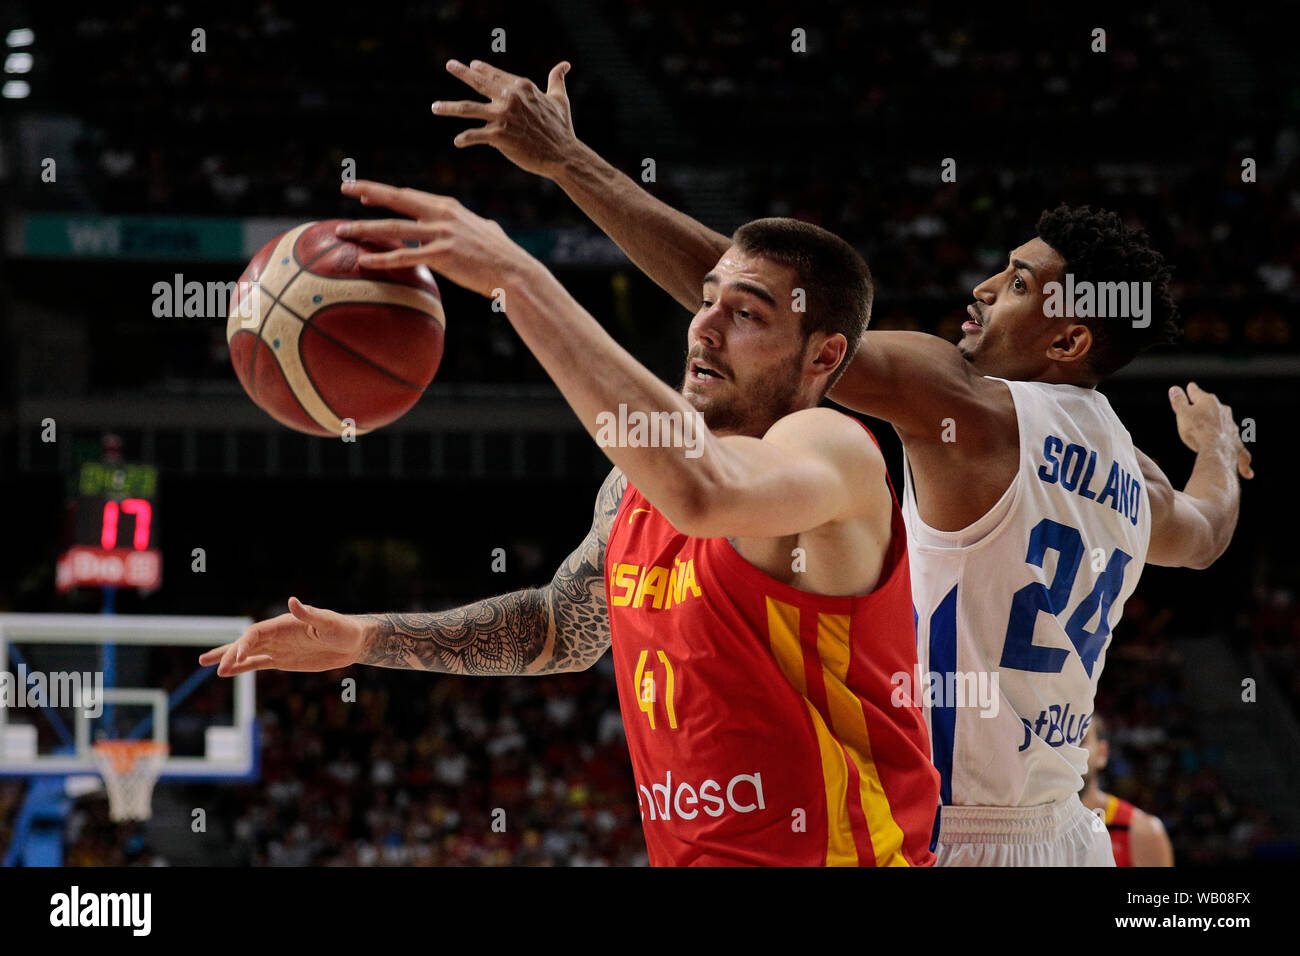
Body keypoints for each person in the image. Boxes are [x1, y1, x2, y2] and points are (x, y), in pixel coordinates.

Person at [432, 57, 1255, 865]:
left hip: (946, 832)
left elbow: (771, 311)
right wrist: (1217, 449)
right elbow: (1209, 532)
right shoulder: (1132, 471)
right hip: (1067, 835)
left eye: (1015, 285)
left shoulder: (967, 405)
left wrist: (568, 163)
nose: (982, 287)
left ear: (1071, 337)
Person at [201, 185, 941, 866]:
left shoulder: (832, 450)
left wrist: (516, 278)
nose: (705, 327)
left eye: (746, 313)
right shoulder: (633, 489)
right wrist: (367, 638)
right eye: (707, 300)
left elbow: (706, 493)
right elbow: (557, 630)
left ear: (826, 354)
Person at [1078, 715, 1174, 866]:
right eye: (1057, 742)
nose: (1068, 750)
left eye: (1079, 740)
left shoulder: (1142, 832)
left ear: (1102, 753)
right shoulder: (1030, 828)